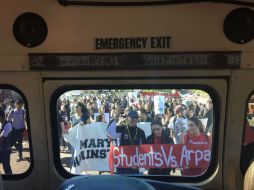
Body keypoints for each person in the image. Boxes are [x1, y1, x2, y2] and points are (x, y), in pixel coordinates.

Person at [115, 110, 147, 174]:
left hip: (135, 163)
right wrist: (119, 122)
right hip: (123, 161)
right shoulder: (121, 128)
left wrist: (140, 164)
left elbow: (145, 148)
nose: (134, 119)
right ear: (127, 118)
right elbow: (109, 132)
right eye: (132, 117)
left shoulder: (141, 132)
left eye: (136, 118)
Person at [0, 110, 12, 174]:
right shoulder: (0, 123)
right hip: (1, 148)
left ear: (1, 117)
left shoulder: (8, 125)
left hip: (5, 149)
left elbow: (1, 138)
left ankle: (11, 180)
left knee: (6, 166)